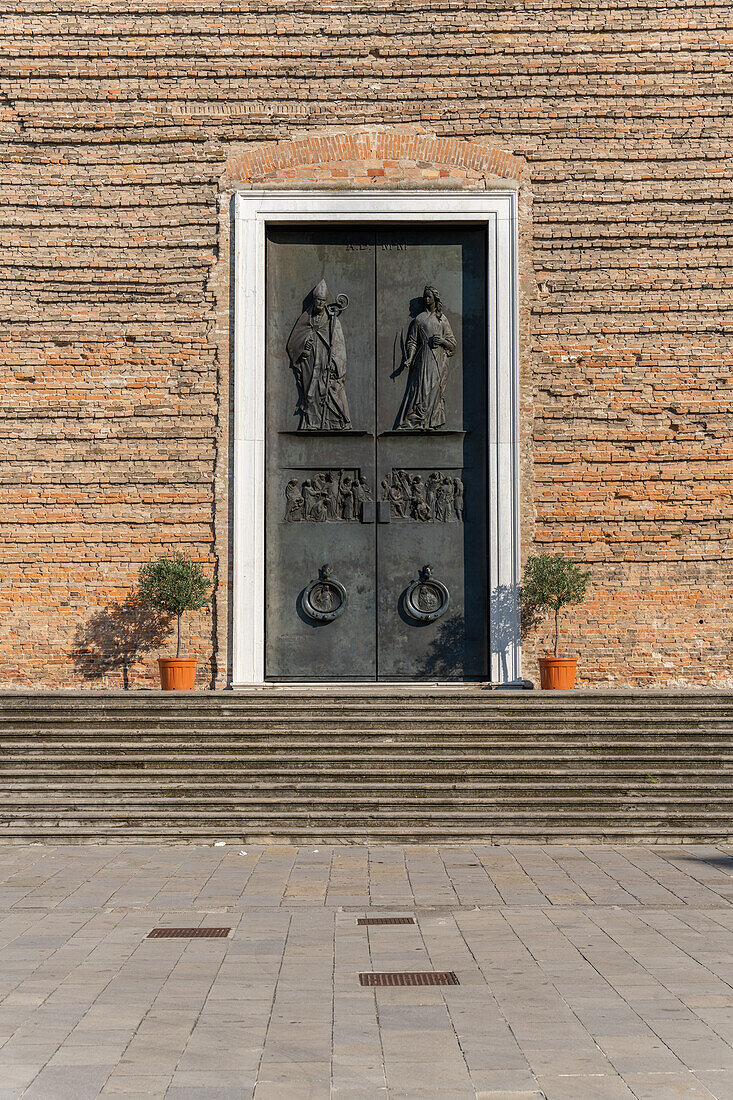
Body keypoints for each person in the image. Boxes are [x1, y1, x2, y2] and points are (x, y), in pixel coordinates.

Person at [286, 279, 351, 430]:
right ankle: (312, 423)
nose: (320, 304)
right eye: (318, 300)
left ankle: (335, 422)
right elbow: (294, 342)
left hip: (326, 362)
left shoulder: (332, 320)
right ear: (314, 300)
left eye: (323, 301)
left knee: (327, 390)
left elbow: (339, 345)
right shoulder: (306, 318)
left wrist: (335, 364)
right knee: (311, 393)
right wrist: (304, 347)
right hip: (310, 362)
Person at [394, 285, 457, 430]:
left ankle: (431, 422)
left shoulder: (442, 320)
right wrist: (409, 358)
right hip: (422, 360)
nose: (427, 299)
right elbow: (412, 341)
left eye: (429, 297)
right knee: (421, 390)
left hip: (437, 361)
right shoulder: (419, 319)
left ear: (435, 299)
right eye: (425, 297)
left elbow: (452, 344)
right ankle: (416, 421)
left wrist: (442, 341)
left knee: (434, 389)